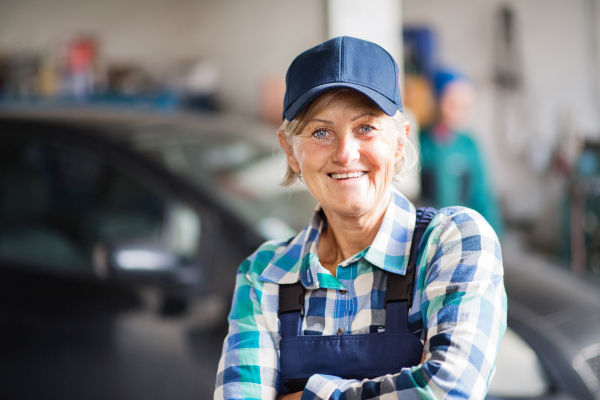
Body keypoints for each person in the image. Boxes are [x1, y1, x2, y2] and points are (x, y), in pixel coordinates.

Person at [215, 37, 506, 400]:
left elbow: (447, 391)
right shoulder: (265, 274)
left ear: (400, 141)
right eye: (321, 132)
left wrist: (304, 396)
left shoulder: (454, 242)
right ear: (291, 152)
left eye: (366, 128)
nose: (345, 153)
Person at [420, 69, 504, 235]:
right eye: (452, 104)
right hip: (426, 232)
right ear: (437, 100)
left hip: (463, 231)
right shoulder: (420, 141)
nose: (458, 111)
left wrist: (493, 234)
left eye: (465, 106)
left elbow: (481, 194)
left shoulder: (469, 145)